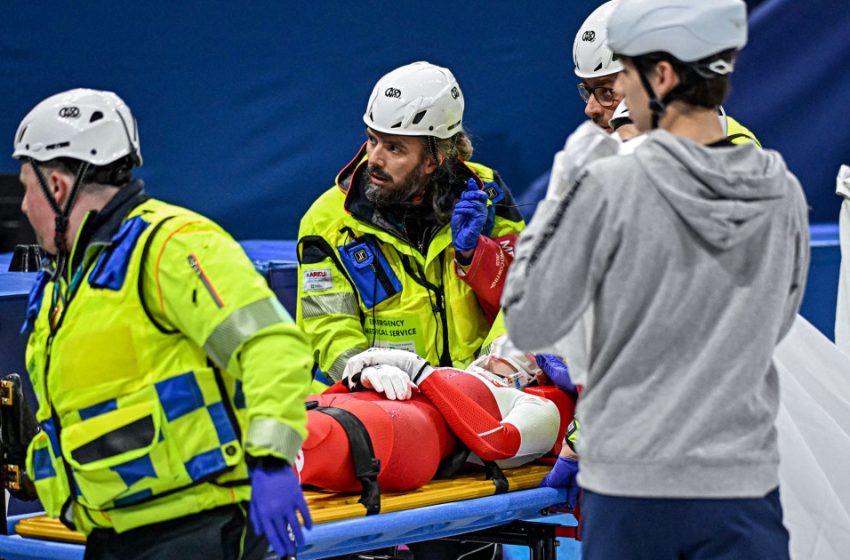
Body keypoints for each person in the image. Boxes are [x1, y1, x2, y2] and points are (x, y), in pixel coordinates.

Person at [502, 0, 810, 558]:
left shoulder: (608, 185)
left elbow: (532, 317)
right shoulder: (780, 188)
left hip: (634, 484)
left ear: (661, 76)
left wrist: (560, 196)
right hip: (740, 482)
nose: (600, 108)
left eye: (615, 85)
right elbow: (773, 324)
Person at [14, 89, 313, 559]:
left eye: (25, 189)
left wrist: (272, 461)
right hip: (114, 534)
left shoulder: (172, 247)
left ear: (55, 186)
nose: (22, 207)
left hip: (201, 532)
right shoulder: (67, 281)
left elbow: (272, 346)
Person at [296, 61, 524, 391]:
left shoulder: (486, 192)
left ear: (435, 158)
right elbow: (327, 324)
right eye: (373, 140)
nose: (374, 158)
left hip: (478, 393)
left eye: (394, 148)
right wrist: (362, 374)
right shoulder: (327, 219)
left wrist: (474, 256)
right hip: (375, 400)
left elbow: (525, 296)